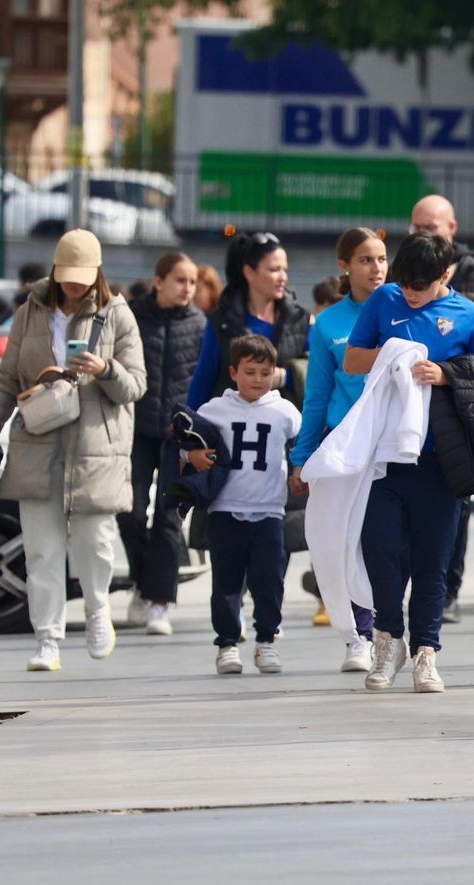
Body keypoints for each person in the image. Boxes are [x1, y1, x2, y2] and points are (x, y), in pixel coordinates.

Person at [0, 229, 146, 672]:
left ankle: (98, 610)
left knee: (95, 541)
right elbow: (7, 381)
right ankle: (47, 638)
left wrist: (104, 369)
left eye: (82, 277)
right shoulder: (30, 311)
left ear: (97, 272)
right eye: (67, 276)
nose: (74, 285)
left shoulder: (117, 314)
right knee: (42, 550)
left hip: (95, 448)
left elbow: (136, 386)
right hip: (38, 443)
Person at [345, 233, 474, 694]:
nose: (411, 294)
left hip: (441, 458)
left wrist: (445, 373)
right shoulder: (383, 300)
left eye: (422, 286)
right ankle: (387, 640)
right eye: (405, 284)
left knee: (433, 559)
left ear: (445, 275)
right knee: (381, 550)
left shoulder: (469, 315)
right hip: (384, 455)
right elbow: (352, 360)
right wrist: (395, 356)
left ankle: (426, 651)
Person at [291, 226, 389, 668]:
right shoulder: (329, 323)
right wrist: (302, 457)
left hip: (391, 445)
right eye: (365, 260)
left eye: (382, 259)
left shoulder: (403, 312)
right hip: (344, 444)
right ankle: (359, 636)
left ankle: (391, 627)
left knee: (384, 541)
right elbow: (316, 395)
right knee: (346, 541)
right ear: (344, 266)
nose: (376, 268)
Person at [191, 334, 303, 675]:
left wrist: (299, 469)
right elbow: (187, 442)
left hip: (269, 511)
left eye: (265, 373)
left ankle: (266, 640)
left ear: (275, 373)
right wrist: (193, 455)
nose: (257, 380)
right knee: (226, 583)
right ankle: (227, 644)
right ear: (233, 372)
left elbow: (302, 444)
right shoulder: (213, 410)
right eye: (250, 372)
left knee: (269, 581)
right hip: (224, 510)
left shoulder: (285, 411)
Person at [119, 252, 205, 637]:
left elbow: (203, 380)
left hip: (178, 437)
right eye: (180, 280)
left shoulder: (199, 324)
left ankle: (159, 602)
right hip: (136, 431)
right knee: (131, 512)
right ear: (159, 281)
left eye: (192, 282)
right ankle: (141, 583)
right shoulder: (132, 318)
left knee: (169, 518)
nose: (188, 288)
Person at [187, 232, 309, 410]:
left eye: (285, 270)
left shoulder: (301, 320)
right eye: (274, 270)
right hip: (229, 423)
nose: (283, 277)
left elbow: (318, 373)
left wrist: (285, 377)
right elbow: (203, 380)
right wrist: (189, 419)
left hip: (284, 424)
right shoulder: (222, 322)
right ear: (249, 272)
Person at [410, 194, 474, 354]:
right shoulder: (400, 271)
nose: (422, 234)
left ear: (452, 227)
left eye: (430, 227)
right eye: (417, 228)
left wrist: (452, 360)